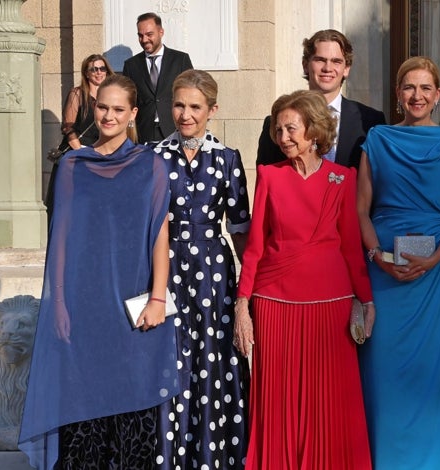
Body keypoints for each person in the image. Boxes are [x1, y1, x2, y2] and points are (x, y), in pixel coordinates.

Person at [19, 74, 178, 470]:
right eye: (102, 107)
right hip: (84, 307)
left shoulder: (152, 166)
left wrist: (158, 298)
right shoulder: (74, 166)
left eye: (118, 109)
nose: (108, 115)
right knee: (83, 418)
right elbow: (61, 241)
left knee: (133, 414)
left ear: (133, 114)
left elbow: (160, 236)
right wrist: (57, 305)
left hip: (133, 307)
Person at [234, 89, 375, 469]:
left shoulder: (343, 179)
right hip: (274, 306)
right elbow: (255, 248)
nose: (283, 138)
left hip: (331, 308)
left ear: (313, 130)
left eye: (291, 128)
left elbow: (351, 248)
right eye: (278, 130)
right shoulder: (269, 176)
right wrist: (242, 304)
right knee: (279, 403)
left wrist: (366, 301)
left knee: (330, 401)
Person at [356, 56, 440, 469]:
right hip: (385, 273)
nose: (417, 95)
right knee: (387, 376)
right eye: (409, 87)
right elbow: (361, 210)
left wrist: (434, 260)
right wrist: (377, 256)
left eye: (426, 88)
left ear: (438, 95)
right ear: (397, 94)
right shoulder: (377, 139)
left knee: (438, 375)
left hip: (438, 276)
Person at [152, 69, 251, 469]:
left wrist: (248, 288)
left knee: (214, 361)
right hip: (165, 268)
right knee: (171, 359)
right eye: (179, 104)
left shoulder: (227, 159)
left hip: (215, 274)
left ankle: (215, 458)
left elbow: (242, 228)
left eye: (195, 106)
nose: (185, 114)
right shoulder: (153, 157)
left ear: (213, 109)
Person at [256, 29, 386, 168]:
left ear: (346, 69)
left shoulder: (371, 121)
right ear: (305, 65)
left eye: (336, 61)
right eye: (320, 60)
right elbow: (266, 179)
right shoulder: (277, 123)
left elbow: (378, 177)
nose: (327, 68)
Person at [45, 53, 114, 222]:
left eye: (102, 68)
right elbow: (68, 128)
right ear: (86, 73)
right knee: (71, 205)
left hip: (101, 155)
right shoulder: (77, 94)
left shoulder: (111, 95)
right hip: (78, 154)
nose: (99, 72)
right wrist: (82, 153)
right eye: (94, 69)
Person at [123, 12, 193, 142]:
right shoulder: (131, 65)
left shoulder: (180, 60)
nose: (144, 40)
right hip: (143, 132)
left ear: (161, 32)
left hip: (175, 129)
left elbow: (192, 94)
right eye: (140, 35)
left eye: (149, 34)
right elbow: (128, 100)